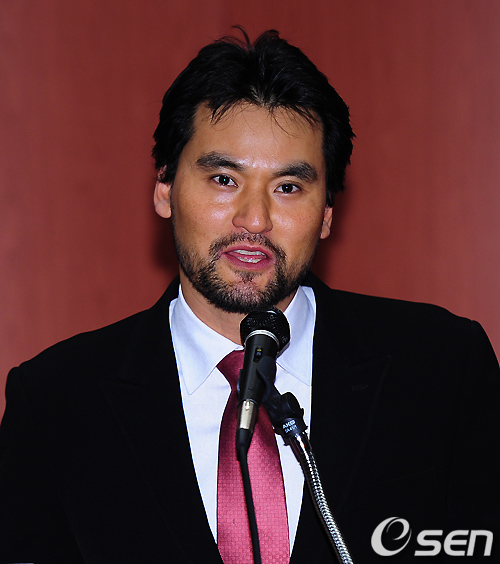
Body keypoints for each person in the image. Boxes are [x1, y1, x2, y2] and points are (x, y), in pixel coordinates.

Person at [0, 29, 499, 564]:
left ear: (327, 214)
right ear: (165, 189)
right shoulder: (56, 404)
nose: (255, 220)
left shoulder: (443, 369)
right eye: (223, 179)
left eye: (288, 187)